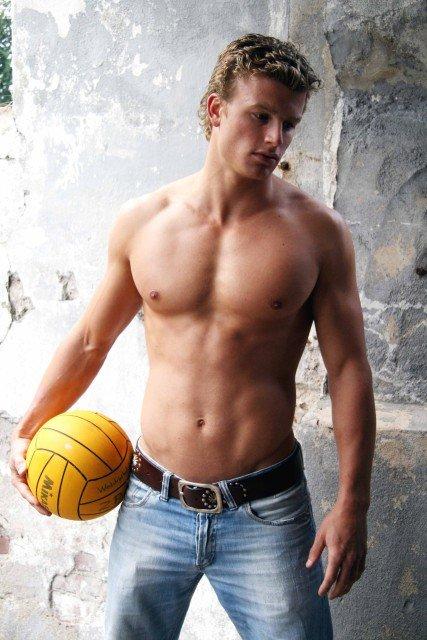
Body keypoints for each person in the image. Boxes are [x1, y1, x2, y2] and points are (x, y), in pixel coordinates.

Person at [9, 33, 376, 640]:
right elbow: (91, 341)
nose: (276, 140)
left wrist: (353, 503)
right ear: (215, 110)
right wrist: (26, 430)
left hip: (267, 510)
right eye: (261, 117)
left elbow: (349, 370)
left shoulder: (318, 234)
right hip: (152, 502)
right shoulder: (144, 222)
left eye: (289, 124)